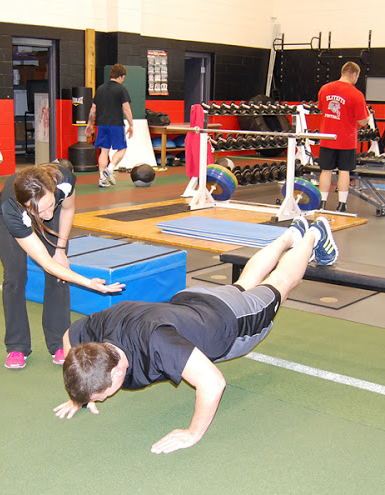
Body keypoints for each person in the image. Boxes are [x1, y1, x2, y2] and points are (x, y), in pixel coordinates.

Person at [54, 216, 338, 454]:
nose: (102, 399)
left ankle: (313, 233)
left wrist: (192, 433)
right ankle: (291, 233)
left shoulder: (158, 344)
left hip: (230, 320)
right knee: (244, 283)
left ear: (117, 372)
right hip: (190, 300)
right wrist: (82, 392)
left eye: (102, 394)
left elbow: (213, 384)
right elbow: (70, 338)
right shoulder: (98, 333)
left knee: (280, 284)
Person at [0, 163, 124, 370]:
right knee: (14, 277)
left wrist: (61, 250)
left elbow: (68, 208)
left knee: (58, 275)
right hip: (14, 217)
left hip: (42, 206)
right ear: (25, 205)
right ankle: (16, 346)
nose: (47, 215)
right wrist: (89, 282)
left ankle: (60, 342)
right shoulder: (13, 209)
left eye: (49, 205)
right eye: (40, 210)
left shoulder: (63, 179)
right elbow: (45, 263)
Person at [317, 61, 370, 213]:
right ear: (354, 74)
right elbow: (362, 121)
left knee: (325, 171)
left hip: (327, 137)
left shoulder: (325, 89)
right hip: (346, 140)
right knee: (344, 171)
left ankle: (322, 203)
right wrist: (367, 118)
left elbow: (323, 108)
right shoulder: (356, 94)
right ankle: (341, 204)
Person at [85, 63, 134, 188]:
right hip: (116, 124)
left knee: (103, 151)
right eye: (123, 78)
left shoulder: (100, 89)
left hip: (101, 124)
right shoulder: (121, 89)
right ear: (121, 76)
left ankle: (102, 178)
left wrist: (89, 124)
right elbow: (126, 109)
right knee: (122, 149)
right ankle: (110, 169)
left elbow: (93, 109)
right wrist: (131, 125)